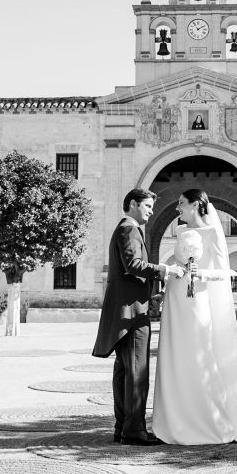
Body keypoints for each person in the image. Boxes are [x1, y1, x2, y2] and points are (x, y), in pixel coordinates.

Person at [152, 188, 237, 445]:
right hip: (175, 299)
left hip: (198, 300)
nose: (177, 208)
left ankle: (208, 420)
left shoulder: (215, 232)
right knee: (174, 356)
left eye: (181, 203)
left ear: (195, 205)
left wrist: (199, 274)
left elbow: (223, 273)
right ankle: (172, 422)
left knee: (199, 354)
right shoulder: (180, 231)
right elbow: (177, 266)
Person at [92, 189, 184, 446]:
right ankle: (134, 431)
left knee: (124, 373)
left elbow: (129, 273)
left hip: (126, 311)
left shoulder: (126, 229)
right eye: (147, 206)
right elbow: (132, 265)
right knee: (137, 374)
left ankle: (123, 428)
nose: (151, 211)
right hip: (132, 314)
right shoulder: (129, 230)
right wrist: (166, 270)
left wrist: (151, 294)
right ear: (132, 204)